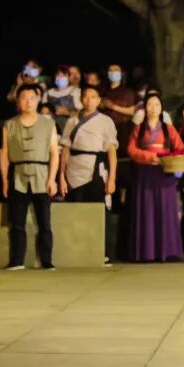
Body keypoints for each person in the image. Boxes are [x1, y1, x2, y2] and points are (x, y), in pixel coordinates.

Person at [0, 84, 59, 270]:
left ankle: (47, 260)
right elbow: (4, 154)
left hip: (42, 174)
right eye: (24, 98)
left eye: (32, 97)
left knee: (44, 222)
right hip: (18, 175)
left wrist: (52, 179)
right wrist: (4, 180)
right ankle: (17, 260)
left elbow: (54, 153)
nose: (28, 101)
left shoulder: (48, 124)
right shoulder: (9, 124)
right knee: (17, 222)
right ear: (18, 101)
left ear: (38, 100)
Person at [127, 91, 184, 262]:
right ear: (145, 108)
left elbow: (180, 148)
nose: (153, 108)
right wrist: (150, 156)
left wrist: (171, 156)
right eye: (150, 104)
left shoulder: (169, 129)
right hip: (145, 173)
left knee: (166, 211)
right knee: (146, 211)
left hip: (165, 173)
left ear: (161, 108)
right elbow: (131, 149)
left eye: (157, 105)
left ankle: (168, 252)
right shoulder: (139, 129)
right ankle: (146, 253)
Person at [60, 86, 118, 261]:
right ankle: (76, 251)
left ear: (98, 100)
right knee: (75, 211)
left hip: (95, 168)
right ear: (81, 99)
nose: (89, 100)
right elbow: (65, 149)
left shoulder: (106, 121)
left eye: (93, 97)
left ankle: (103, 252)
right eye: (85, 96)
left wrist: (112, 179)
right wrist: (61, 176)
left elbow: (111, 151)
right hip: (73, 169)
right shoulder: (72, 121)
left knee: (99, 211)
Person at [44, 66, 82, 131]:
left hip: (70, 128)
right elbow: (42, 111)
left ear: (69, 77)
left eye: (64, 75)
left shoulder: (76, 91)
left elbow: (82, 112)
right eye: (58, 75)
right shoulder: (48, 93)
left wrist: (68, 112)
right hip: (50, 127)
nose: (60, 78)